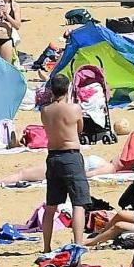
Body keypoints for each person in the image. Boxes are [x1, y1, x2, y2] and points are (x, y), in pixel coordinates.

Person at [39, 72, 89, 253]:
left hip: (53, 156)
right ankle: (78, 243)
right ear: (67, 88)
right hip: (70, 155)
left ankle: (46, 246)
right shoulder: (74, 109)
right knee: (78, 203)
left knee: (51, 205)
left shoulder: (45, 111)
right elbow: (80, 128)